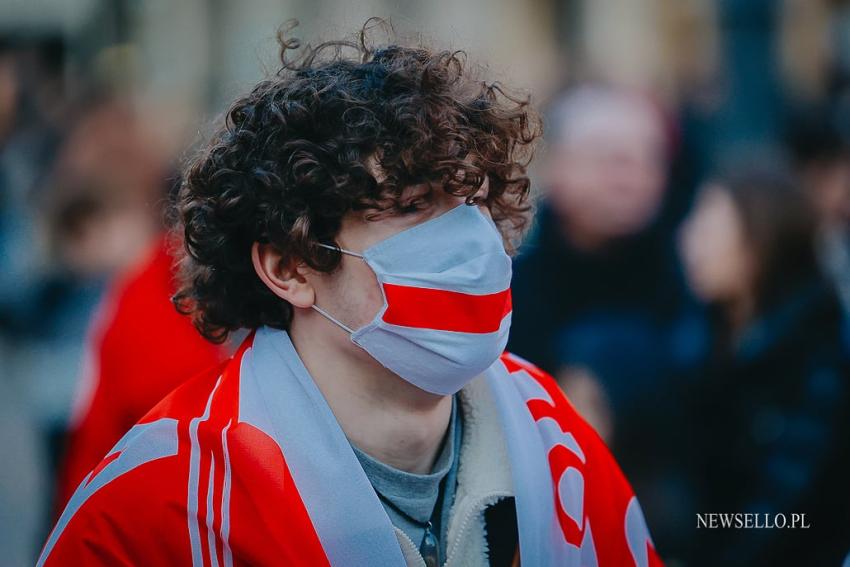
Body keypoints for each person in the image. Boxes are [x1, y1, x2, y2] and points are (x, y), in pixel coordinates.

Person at [39, 24, 660, 566]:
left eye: (469, 200)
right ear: (289, 267)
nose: (468, 238)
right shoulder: (160, 507)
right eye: (415, 207)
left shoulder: (554, 439)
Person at [679, 167, 850, 566]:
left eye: (710, 228)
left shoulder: (820, 353)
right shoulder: (703, 334)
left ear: (761, 239)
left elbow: (789, 511)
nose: (690, 242)